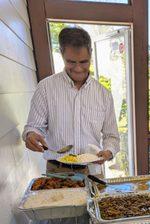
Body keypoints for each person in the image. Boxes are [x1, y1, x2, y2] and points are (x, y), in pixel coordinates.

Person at [23, 27, 120, 174]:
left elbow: (111, 136)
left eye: (84, 61)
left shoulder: (103, 94)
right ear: (62, 54)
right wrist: (30, 135)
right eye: (71, 62)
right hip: (57, 170)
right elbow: (34, 126)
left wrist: (108, 151)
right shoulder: (45, 87)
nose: (78, 68)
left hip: (92, 169)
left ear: (91, 55)